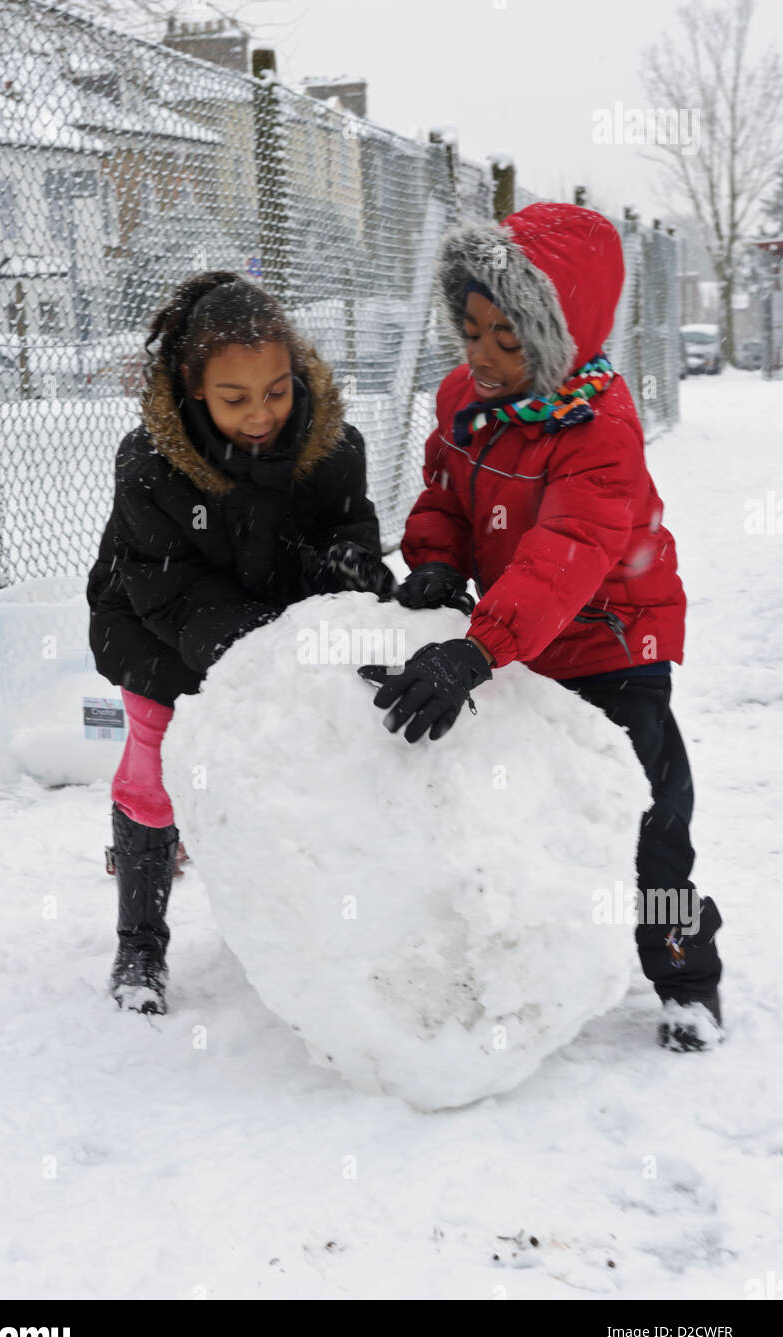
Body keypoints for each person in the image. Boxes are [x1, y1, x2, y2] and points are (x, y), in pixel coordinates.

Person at [359, 204, 723, 1053]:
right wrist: (437, 562)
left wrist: (477, 648)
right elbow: (445, 495)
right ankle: (537, 958)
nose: (482, 355)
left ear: (559, 338)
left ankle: (684, 974)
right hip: (517, 642)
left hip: (610, 643)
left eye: (509, 339)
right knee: (522, 809)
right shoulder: (464, 398)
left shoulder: (600, 429)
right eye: (471, 330)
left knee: (648, 821)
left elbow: (568, 552)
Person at [87, 270, 392, 1015]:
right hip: (157, 631)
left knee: (297, 765)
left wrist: (349, 567)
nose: (261, 415)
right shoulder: (149, 465)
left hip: (275, 631)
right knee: (154, 776)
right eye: (235, 399)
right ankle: (140, 943)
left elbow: (347, 531)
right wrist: (262, 649)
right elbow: (171, 590)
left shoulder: (332, 448)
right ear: (195, 388)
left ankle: (295, 919)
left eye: (277, 391)